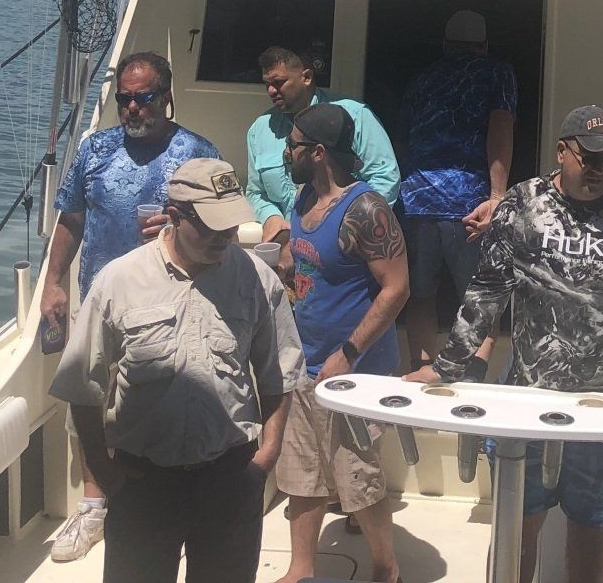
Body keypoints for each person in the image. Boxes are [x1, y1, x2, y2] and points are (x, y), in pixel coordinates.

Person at [407, 105, 603, 583]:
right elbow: (487, 293)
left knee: (592, 520)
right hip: (530, 400)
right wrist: (448, 366)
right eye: (588, 159)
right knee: (520, 522)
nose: (597, 171)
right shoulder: (519, 204)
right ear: (561, 151)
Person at [49, 157, 303, 583]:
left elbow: (281, 371)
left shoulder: (258, 279)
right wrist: (106, 473)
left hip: (231, 477)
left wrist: (265, 459)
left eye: (231, 225)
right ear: (174, 216)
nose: (225, 237)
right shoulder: (119, 279)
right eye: (211, 226)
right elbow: (82, 383)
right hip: (142, 484)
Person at [41, 50, 220, 562]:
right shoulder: (95, 148)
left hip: (171, 301)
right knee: (88, 396)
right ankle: (94, 505)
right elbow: (71, 219)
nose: (134, 108)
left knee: (160, 396)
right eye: (125, 99)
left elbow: (220, 230)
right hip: (100, 297)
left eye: (144, 98)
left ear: (167, 97)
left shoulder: (199, 154)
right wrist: (54, 283)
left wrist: (176, 225)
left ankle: (165, 501)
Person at [274, 103, 411, 583]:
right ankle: (301, 569)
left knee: (359, 480)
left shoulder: (367, 210)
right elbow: (307, 249)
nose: (284, 151)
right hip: (304, 362)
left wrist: (348, 354)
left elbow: (397, 288)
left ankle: (384, 566)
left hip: (355, 370)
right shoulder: (302, 198)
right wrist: (290, 252)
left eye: (291, 145)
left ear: (316, 152)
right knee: (302, 472)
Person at [397, 9, 516, 368]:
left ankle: (421, 371)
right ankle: (472, 377)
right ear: (484, 44)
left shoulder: (421, 79)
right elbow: (500, 129)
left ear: (445, 44)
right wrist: (497, 196)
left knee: (420, 296)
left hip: (416, 200)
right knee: (480, 296)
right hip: (468, 201)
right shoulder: (497, 72)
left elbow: (404, 139)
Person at [246, 46, 400, 274]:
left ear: (306, 77)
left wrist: (346, 229)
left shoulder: (355, 116)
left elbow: (385, 177)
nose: (271, 90)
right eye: (266, 83)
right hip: (285, 257)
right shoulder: (260, 129)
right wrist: (272, 218)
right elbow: (256, 192)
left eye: (278, 82)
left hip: (344, 256)